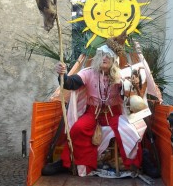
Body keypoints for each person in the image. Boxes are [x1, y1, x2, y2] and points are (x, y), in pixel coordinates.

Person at [42, 44, 145, 176]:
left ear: (114, 60)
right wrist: (63, 75)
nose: (104, 58)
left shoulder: (121, 76)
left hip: (114, 114)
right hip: (92, 114)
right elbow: (70, 83)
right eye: (102, 55)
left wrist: (131, 83)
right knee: (77, 129)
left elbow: (128, 94)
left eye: (108, 56)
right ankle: (66, 162)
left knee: (131, 130)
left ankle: (136, 163)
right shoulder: (88, 73)